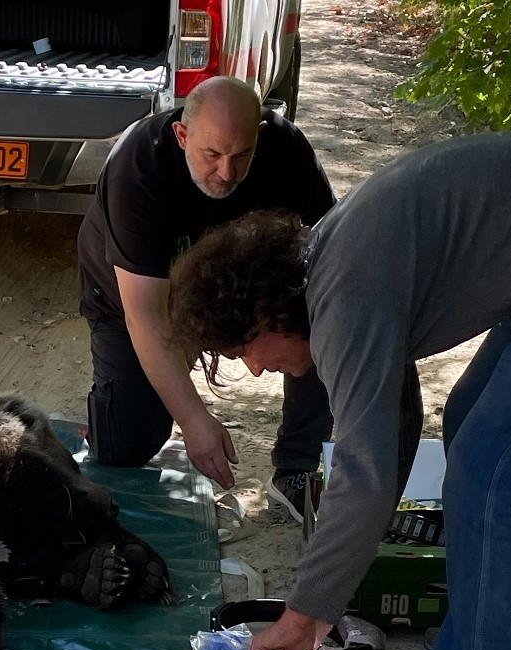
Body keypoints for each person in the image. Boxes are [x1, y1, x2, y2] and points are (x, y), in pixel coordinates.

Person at [168, 131, 511, 650]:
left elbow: (365, 469)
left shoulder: (343, 295)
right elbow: (393, 428)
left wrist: (304, 618)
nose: (257, 371)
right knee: (470, 426)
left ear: (266, 318)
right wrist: (328, 588)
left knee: (490, 472)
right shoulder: (330, 265)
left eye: (243, 353)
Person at [76, 76, 335, 517]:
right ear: (182, 135)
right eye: (211, 155)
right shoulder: (138, 167)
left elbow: (331, 256)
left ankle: (297, 465)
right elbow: (147, 317)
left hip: (236, 290)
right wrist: (195, 422)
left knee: (319, 314)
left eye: (242, 155)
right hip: (136, 300)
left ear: (260, 136)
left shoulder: (287, 149)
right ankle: (113, 406)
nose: (227, 173)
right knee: (126, 446)